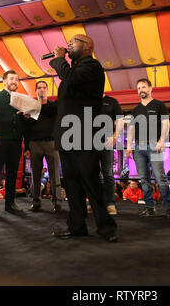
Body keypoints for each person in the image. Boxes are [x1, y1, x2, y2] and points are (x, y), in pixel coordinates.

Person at [49, 34, 117, 242]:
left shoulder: (92, 66)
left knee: (88, 175)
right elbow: (66, 101)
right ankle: (76, 225)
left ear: (88, 46)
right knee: (71, 181)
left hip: (85, 130)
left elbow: (70, 79)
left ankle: (106, 227)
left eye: (73, 41)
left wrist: (60, 59)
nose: (68, 44)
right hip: (67, 133)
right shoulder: (74, 70)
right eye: (68, 43)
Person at [126, 78, 170, 218]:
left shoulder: (159, 105)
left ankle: (168, 207)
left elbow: (166, 124)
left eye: (143, 87)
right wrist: (128, 146)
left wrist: (161, 140)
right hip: (138, 147)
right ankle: (149, 207)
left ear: (150, 88)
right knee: (144, 179)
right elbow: (131, 129)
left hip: (155, 144)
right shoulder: (135, 110)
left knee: (160, 177)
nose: (140, 90)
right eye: (138, 88)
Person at [0, 70, 26, 216]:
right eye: (11, 79)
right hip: (0, 139)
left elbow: (25, 121)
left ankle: (10, 203)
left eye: (16, 79)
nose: (14, 81)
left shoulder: (22, 100)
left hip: (16, 141)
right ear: (4, 81)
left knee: (12, 173)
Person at [24, 80, 61, 212]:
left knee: (55, 174)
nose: (42, 90)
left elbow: (48, 111)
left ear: (47, 90)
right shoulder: (30, 107)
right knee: (35, 175)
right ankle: (36, 201)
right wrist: (27, 147)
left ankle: (57, 201)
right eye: (39, 88)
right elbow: (26, 129)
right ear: (36, 90)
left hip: (51, 143)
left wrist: (31, 112)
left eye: (44, 87)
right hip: (34, 143)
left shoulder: (53, 106)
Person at [97, 92, 124, 215]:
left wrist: (114, 137)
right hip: (88, 142)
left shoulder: (112, 101)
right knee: (92, 174)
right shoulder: (87, 100)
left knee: (108, 173)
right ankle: (95, 203)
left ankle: (110, 203)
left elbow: (119, 120)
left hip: (107, 140)